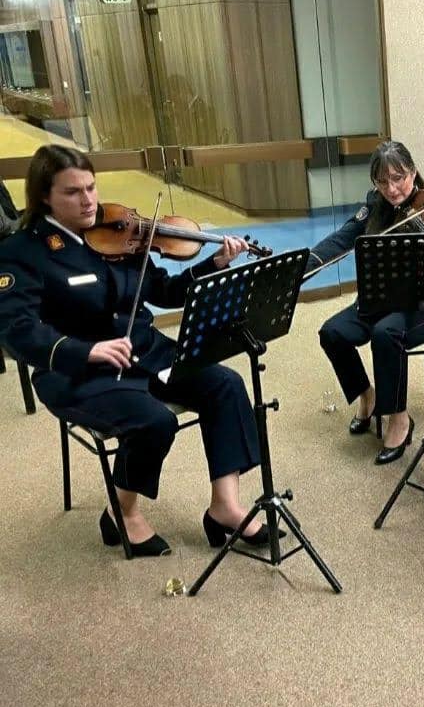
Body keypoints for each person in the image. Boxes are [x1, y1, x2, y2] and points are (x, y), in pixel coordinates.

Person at [0, 145, 274, 557]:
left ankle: (225, 506)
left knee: (225, 384)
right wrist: (85, 351)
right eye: (73, 192)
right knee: (154, 421)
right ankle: (121, 512)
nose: (88, 200)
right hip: (77, 372)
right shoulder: (22, 252)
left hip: (145, 352)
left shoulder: (117, 234)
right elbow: (16, 330)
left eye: (91, 187)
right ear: (44, 196)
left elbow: (164, 291)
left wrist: (214, 264)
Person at [306, 140, 424, 464]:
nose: (391, 189)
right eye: (382, 181)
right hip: (381, 298)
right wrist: (304, 266)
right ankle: (368, 396)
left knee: (385, 333)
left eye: (398, 178)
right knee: (332, 332)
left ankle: (399, 418)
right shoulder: (375, 204)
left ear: (412, 173)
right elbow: (343, 238)